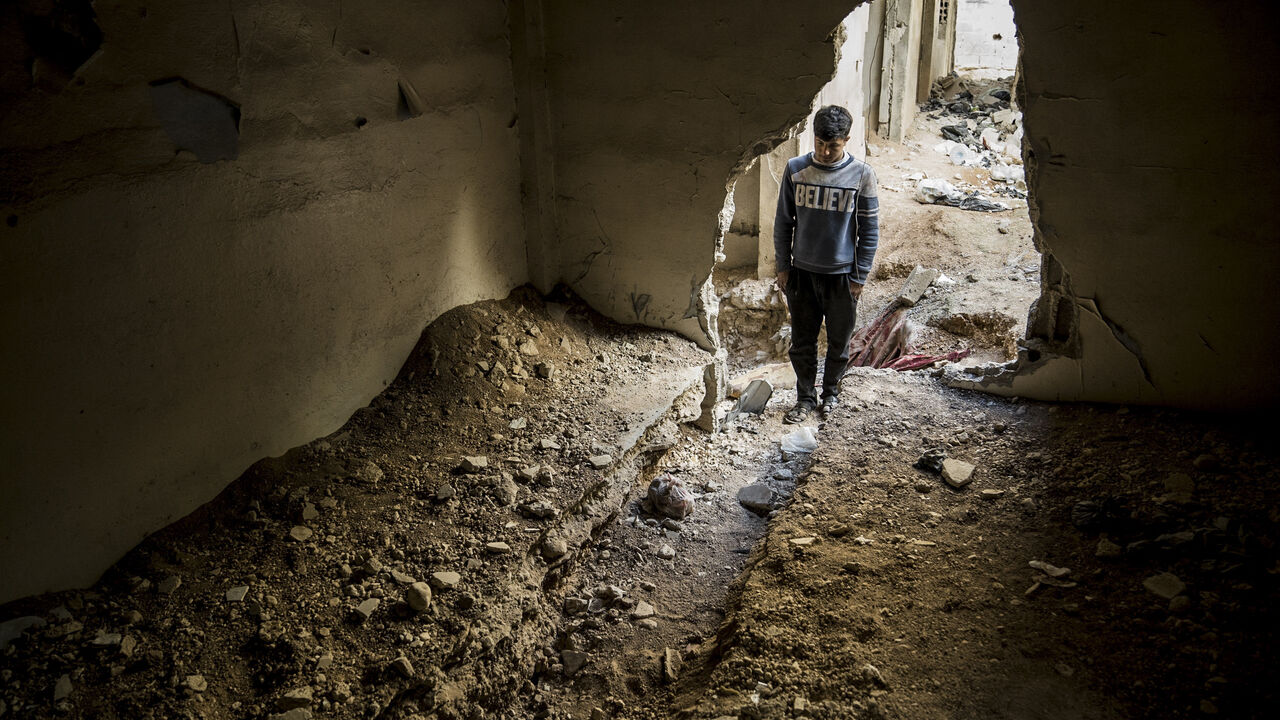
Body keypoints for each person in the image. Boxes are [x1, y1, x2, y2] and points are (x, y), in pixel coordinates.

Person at [773, 105, 879, 423]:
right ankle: (805, 398)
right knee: (802, 342)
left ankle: (830, 394)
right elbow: (783, 223)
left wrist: (859, 276)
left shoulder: (862, 175)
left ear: (846, 140)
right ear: (814, 137)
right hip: (802, 275)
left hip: (842, 276)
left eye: (833, 145)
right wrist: (783, 266)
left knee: (838, 342)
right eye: (820, 142)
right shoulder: (795, 169)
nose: (825, 150)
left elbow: (869, 230)